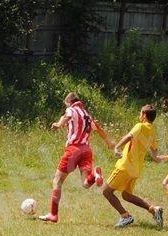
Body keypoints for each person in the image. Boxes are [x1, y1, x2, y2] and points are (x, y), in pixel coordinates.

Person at [39, 92, 115, 223]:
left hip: (73, 150)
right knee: (86, 183)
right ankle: (95, 176)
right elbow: (98, 129)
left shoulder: (71, 109)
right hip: (86, 151)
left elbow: (66, 116)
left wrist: (58, 124)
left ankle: (53, 214)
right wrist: (109, 142)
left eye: (66, 104)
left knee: (57, 181)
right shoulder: (87, 114)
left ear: (69, 102)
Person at [102, 104, 164, 230]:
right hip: (135, 170)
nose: (139, 115)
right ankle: (154, 210)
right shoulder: (152, 131)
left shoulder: (140, 126)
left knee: (106, 191)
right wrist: (158, 159)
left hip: (125, 166)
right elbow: (155, 154)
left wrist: (116, 147)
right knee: (127, 195)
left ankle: (125, 216)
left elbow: (129, 136)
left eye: (141, 113)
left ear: (144, 115)